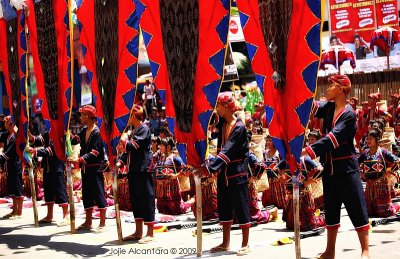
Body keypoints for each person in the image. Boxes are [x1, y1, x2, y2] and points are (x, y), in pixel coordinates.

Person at [302, 75, 370, 259]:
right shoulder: (329, 107)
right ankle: (330, 251)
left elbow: (332, 139)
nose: (328, 87)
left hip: (347, 170)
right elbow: (311, 105)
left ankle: (365, 250)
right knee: (331, 210)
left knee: (356, 208)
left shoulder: (349, 114)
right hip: (330, 170)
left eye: (332, 85)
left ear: (341, 89)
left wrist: (308, 151)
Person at [201, 92, 251, 256]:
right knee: (224, 207)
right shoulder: (222, 124)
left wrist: (209, 168)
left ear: (227, 107)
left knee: (241, 207)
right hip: (223, 173)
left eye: (219, 106)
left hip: (236, 173)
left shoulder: (239, 128)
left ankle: (245, 243)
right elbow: (207, 123)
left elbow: (228, 151)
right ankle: (225, 242)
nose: (217, 109)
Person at [117, 104, 155, 244]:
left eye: (128, 115)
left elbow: (134, 146)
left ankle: (150, 232)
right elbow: (127, 152)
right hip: (133, 170)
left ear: (134, 116)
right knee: (136, 200)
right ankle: (138, 231)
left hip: (143, 169)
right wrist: (120, 162)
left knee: (146, 199)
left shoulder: (144, 128)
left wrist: (123, 139)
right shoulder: (133, 131)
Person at [68, 105, 107, 232]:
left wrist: (79, 160)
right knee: (87, 195)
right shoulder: (84, 130)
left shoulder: (97, 132)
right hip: (86, 169)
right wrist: (66, 134)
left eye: (82, 115)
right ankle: (88, 222)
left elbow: (95, 152)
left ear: (87, 116)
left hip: (95, 168)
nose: (80, 117)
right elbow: (76, 140)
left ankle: (102, 223)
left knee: (99, 193)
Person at [26, 131, 69, 226]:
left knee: (60, 191)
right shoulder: (48, 131)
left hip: (57, 166)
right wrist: (28, 132)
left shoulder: (59, 131)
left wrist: (35, 151)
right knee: (48, 191)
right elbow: (37, 140)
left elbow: (52, 150)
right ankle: (49, 215)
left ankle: (66, 216)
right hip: (47, 166)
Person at [358, 129, 400, 217]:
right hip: (370, 188)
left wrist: (386, 174)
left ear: (376, 140)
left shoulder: (383, 152)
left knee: (385, 212)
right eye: (367, 139)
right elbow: (354, 164)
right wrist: (361, 173)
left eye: (371, 139)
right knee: (368, 213)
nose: (368, 141)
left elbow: (396, 161)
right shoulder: (365, 154)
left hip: (382, 187)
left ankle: (397, 206)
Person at [0, 116, 23, 219]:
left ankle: (19, 212)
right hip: (9, 165)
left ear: (10, 124)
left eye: (6, 123)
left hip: (15, 164)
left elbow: (8, 152)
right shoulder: (8, 135)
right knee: (12, 188)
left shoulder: (15, 137)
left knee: (18, 188)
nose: (4, 125)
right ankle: (14, 210)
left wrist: (1, 158)